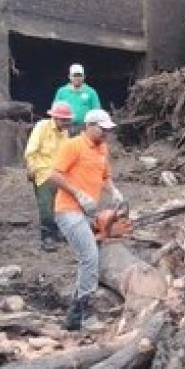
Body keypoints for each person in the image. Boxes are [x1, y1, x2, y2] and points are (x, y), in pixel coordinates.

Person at [48, 109, 124, 330]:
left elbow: (105, 176)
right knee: (89, 257)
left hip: (88, 211)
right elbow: (54, 175)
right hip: (69, 209)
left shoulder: (102, 148)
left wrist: (113, 191)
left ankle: (78, 310)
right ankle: (80, 315)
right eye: (102, 130)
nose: (105, 134)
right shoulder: (73, 146)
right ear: (89, 125)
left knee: (95, 254)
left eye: (108, 131)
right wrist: (78, 194)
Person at [25, 101, 74, 252]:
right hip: (43, 172)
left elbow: (67, 152)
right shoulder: (42, 127)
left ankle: (57, 231)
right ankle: (47, 237)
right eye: (63, 120)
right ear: (55, 118)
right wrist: (31, 168)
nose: (66, 123)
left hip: (59, 173)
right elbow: (31, 150)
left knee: (59, 205)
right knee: (46, 206)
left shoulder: (65, 132)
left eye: (67, 120)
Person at [53, 64, 102, 134]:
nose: (77, 78)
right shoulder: (61, 91)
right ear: (69, 77)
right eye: (74, 75)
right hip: (65, 128)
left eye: (79, 75)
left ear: (84, 77)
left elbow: (97, 111)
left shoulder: (91, 92)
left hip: (84, 128)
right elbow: (55, 111)